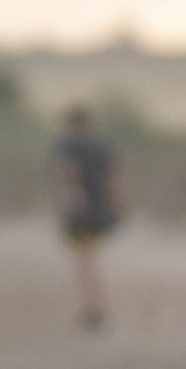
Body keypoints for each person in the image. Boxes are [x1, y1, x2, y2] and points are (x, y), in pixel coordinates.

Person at [53, 105, 123, 329]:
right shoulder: (101, 145)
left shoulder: (68, 144)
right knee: (92, 258)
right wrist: (119, 206)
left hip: (81, 210)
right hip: (101, 210)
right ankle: (97, 304)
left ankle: (94, 307)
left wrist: (71, 198)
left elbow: (68, 172)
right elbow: (113, 178)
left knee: (84, 261)